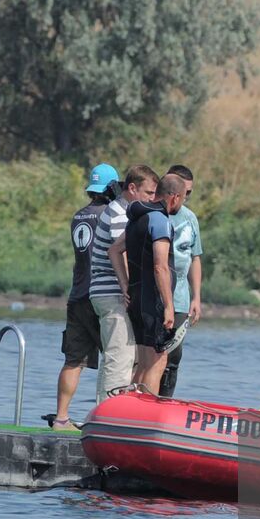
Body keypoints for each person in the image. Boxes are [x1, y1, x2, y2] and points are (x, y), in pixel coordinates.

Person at [49, 163, 119, 431]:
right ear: (112, 188)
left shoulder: (78, 216)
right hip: (102, 294)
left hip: (76, 294)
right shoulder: (110, 215)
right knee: (115, 359)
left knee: (73, 360)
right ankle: (108, 421)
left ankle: (61, 418)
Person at [111, 173, 188, 395]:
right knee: (157, 362)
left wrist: (125, 285)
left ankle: (128, 414)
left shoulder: (138, 218)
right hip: (153, 303)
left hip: (137, 300)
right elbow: (160, 266)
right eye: (183, 198)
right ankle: (143, 419)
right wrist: (168, 305)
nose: (181, 204)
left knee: (144, 363)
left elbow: (114, 250)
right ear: (174, 197)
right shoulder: (160, 221)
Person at [86, 165, 158, 401]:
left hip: (106, 292)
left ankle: (99, 415)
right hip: (112, 293)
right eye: (148, 193)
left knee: (114, 358)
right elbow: (119, 252)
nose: (152, 198)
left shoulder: (123, 210)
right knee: (120, 358)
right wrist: (128, 286)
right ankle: (108, 420)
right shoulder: (119, 212)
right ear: (132, 188)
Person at [159, 164, 203, 398]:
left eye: (189, 194)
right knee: (149, 356)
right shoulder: (154, 213)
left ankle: (164, 404)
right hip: (155, 298)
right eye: (182, 193)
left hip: (181, 300)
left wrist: (196, 297)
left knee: (173, 359)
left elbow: (195, 257)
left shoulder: (190, 218)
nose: (184, 198)